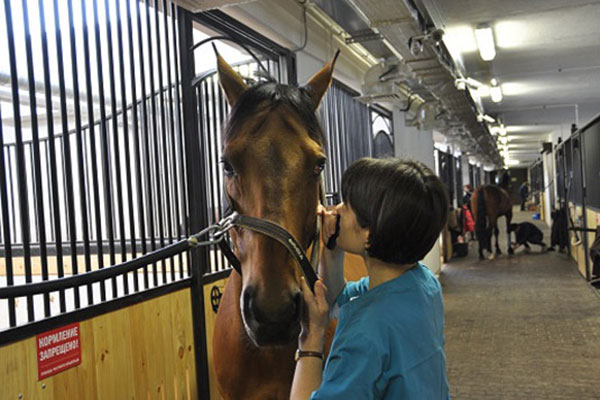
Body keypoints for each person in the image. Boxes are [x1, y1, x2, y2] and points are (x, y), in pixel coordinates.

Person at [290, 158, 451, 400]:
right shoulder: (423, 284)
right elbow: (340, 300)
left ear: (369, 234)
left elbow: (361, 319)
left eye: (347, 205)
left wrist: (311, 339)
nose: (335, 210)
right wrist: (333, 250)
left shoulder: (363, 336)